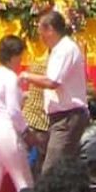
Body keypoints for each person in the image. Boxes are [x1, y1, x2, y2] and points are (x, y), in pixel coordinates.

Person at [20, 10, 89, 173]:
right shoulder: (58, 50)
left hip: (67, 118)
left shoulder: (65, 49)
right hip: (57, 118)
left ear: (50, 29)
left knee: (51, 171)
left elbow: (52, 82)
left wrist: (26, 76)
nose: (41, 38)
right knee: (61, 169)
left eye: (41, 32)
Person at [0, 34, 34, 192]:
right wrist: (26, 131)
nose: (20, 61)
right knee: (24, 182)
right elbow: (13, 110)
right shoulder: (11, 77)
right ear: (13, 56)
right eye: (20, 57)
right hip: (7, 132)